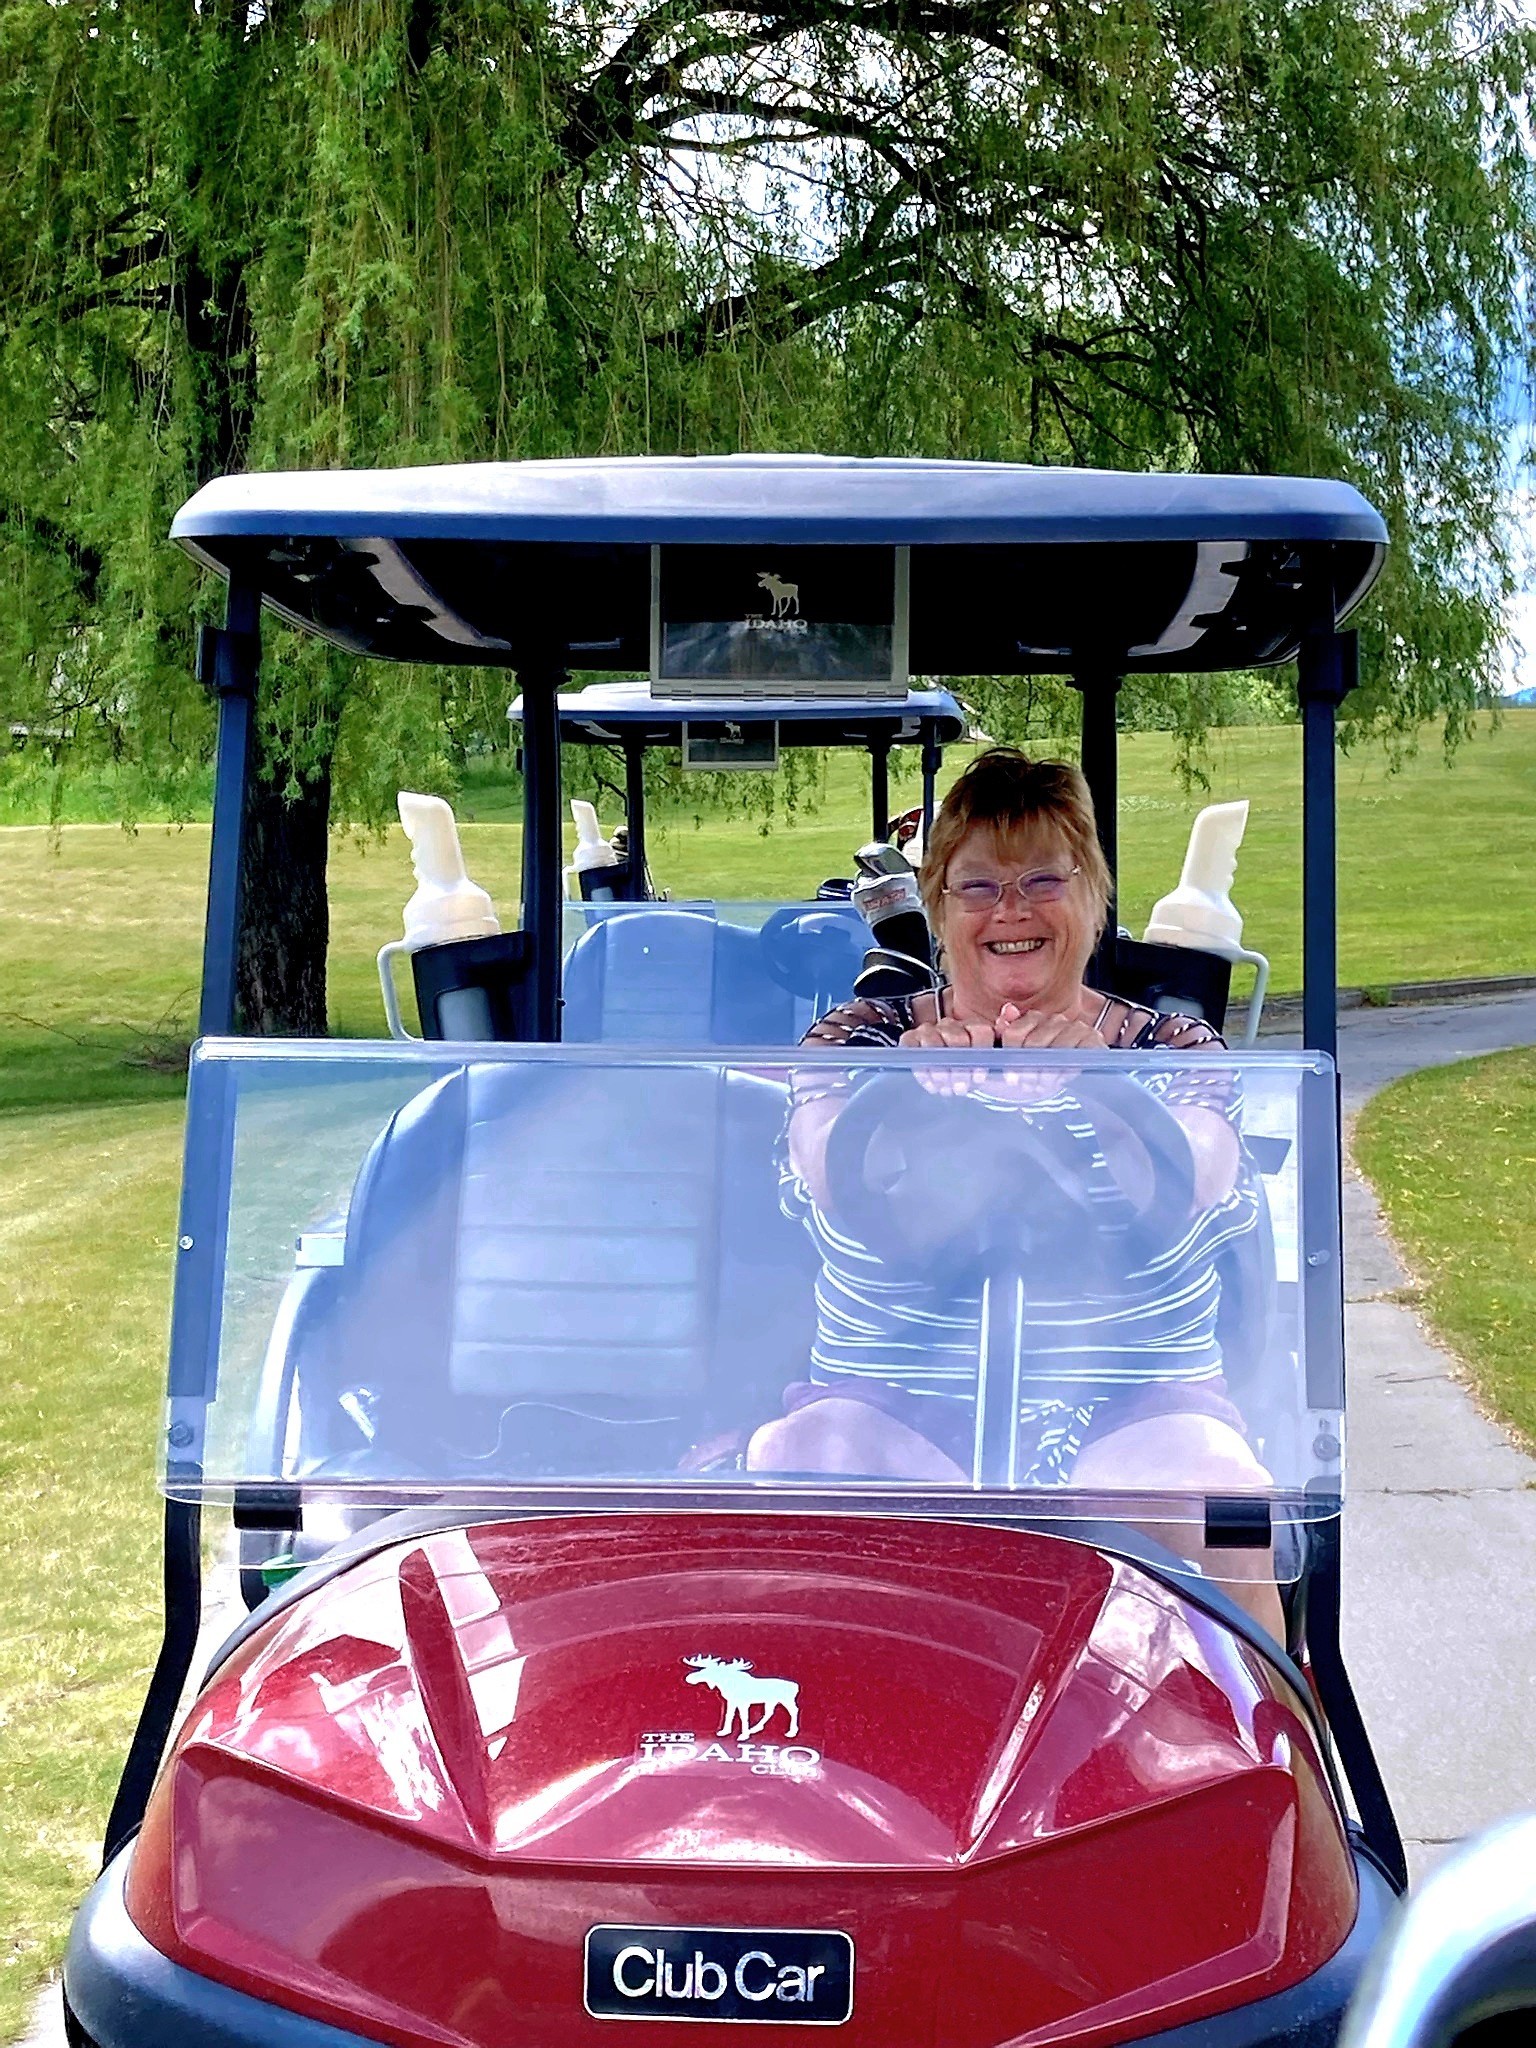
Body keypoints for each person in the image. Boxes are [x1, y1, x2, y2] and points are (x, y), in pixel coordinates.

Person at [747, 747, 1283, 1635]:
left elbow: (1200, 1175)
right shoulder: (861, 1041)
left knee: (1225, 1494)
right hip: (901, 1402)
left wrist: (1103, 1087)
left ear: (1091, 897)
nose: (1013, 912)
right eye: (979, 887)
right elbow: (825, 1171)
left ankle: (1289, 1757)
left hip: (1134, 1404)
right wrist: (902, 1102)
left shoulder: (1171, 1052)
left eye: (1043, 879)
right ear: (938, 907)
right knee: (802, 1454)